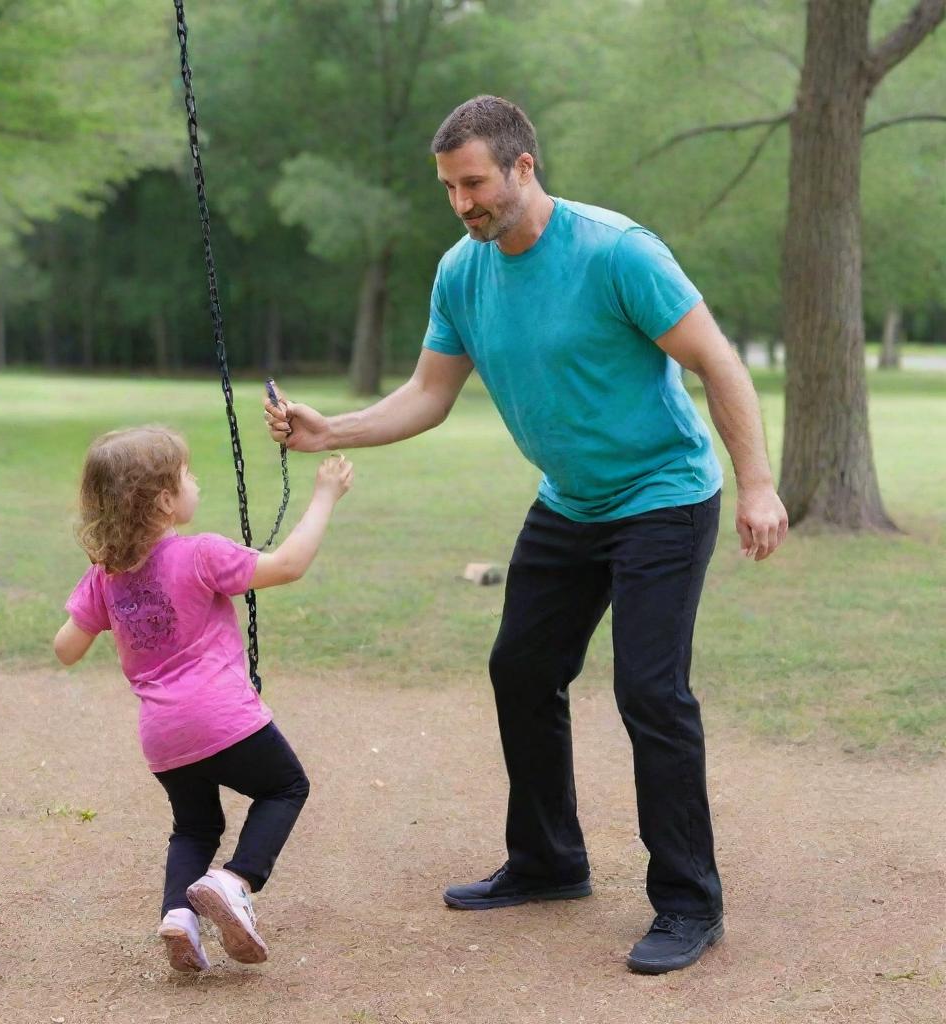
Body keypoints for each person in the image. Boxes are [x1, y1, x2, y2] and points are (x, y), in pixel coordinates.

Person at [263, 95, 788, 974]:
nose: (463, 202)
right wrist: (331, 431)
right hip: (572, 502)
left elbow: (717, 361)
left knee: (651, 695)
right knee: (522, 668)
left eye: (474, 183)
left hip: (663, 493)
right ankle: (549, 861)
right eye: (449, 188)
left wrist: (760, 484)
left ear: (522, 169)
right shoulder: (461, 272)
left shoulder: (617, 251)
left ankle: (690, 904)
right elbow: (429, 395)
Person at [53, 425, 353, 973]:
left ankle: (179, 916)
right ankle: (233, 881)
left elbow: (65, 648)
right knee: (287, 786)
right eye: (187, 475)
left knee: (194, 826)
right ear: (166, 501)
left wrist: (111, 616)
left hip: (164, 736)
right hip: (223, 719)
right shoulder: (201, 553)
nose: (195, 483)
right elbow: (287, 565)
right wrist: (325, 495)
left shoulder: (104, 577)